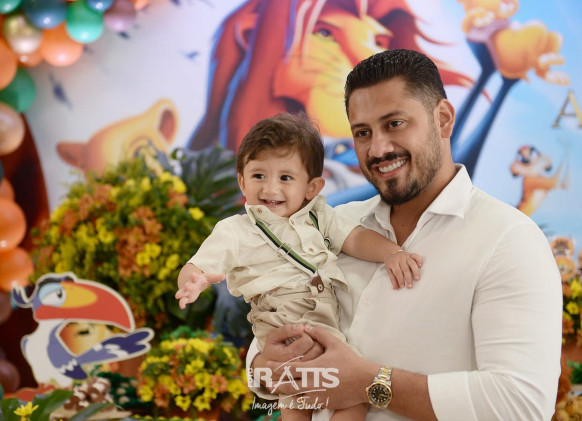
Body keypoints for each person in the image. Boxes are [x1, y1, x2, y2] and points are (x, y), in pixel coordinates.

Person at [247, 49, 562, 421]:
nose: (378, 149)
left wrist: (368, 384)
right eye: (363, 133)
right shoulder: (332, 225)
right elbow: (263, 358)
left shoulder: (509, 240)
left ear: (443, 119)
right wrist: (265, 365)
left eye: (394, 124)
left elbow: (521, 405)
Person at [175, 112, 423, 421]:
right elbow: (197, 265)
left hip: (322, 319)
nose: (270, 189)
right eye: (258, 176)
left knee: (346, 396)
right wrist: (193, 281)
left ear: (312, 187)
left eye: (285, 178)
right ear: (242, 181)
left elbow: (356, 238)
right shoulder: (235, 231)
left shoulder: (320, 217)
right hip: (280, 317)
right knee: (308, 397)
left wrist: (391, 252)